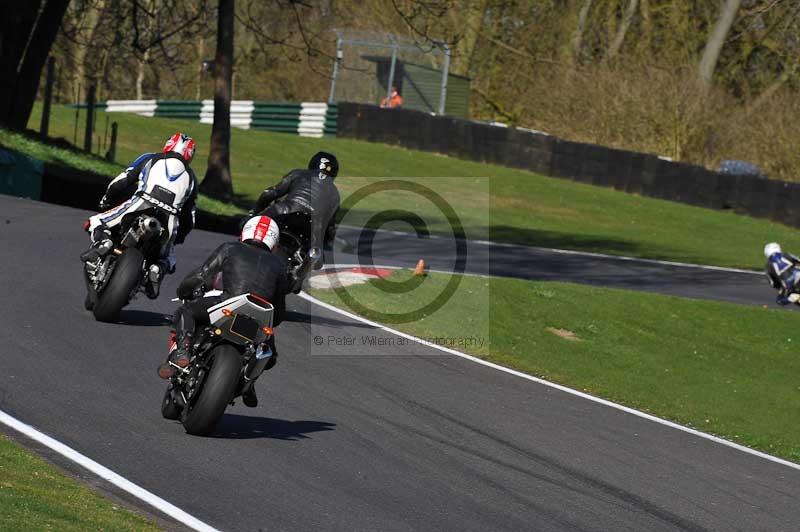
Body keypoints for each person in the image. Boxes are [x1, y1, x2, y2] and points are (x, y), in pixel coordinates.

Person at [158, 215, 289, 408]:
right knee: (270, 353)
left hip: (227, 303)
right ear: (274, 244)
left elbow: (202, 274)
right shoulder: (279, 266)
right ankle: (249, 381)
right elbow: (279, 311)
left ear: (244, 233)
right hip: (259, 317)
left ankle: (183, 351)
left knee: (186, 311)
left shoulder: (231, 248)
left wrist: (183, 290)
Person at [81, 132, 198, 299]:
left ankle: (104, 241)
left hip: (141, 203)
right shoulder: (192, 180)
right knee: (169, 257)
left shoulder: (151, 158)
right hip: (170, 218)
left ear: (169, 144)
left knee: (97, 220)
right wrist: (179, 238)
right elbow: (189, 219)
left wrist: (106, 199)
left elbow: (122, 181)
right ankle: (156, 268)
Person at [250, 151, 340, 270]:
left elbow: (270, 193)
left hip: (284, 211)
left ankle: (244, 250)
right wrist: (326, 241)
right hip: (310, 227)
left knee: (251, 226)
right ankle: (297, 277)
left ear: (312, 164)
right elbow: (330, 227)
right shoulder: (335, 194)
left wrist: (253, 212)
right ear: (334, 173)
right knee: (316, 261)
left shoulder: (299, 173)